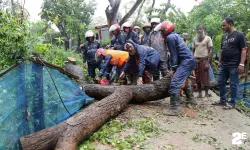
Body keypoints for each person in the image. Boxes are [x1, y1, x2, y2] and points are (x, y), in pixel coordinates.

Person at [154, 20, 196, 116]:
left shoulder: (170, 37)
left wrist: (173, 69)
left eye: (162, 31)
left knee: (175, 82)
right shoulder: (175, 36)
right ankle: (191, 99)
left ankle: (174, 108)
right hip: (188, 61)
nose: (161, 33)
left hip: (186, 61)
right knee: (184, 80)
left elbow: (174, 55)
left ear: (166, 30)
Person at [213, 17, 247, 109]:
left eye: (224, 25)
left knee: (233, 84)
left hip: (234, 64)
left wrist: (241, 64)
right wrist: (219, 61)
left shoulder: (239, 35)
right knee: (220, 82)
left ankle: (232, 103)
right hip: (224, 64)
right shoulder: (224, 36)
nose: (222, 27)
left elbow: (244, 50)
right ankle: (222, 100)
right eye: (222, 26)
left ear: (230, 25)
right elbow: (221, 50)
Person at [192, 24, 213, 98]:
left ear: (203, 29)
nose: (199, 30)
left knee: (206, 77)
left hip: (204, 59)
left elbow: (210, 50)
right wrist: (192, 60)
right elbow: (193, 50)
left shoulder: (208, 38)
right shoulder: (194, 39)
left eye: (200, 29)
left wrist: (208, 62)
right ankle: (200, 93)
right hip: (196, 60)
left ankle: (206, 93)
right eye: (198, 29)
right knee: (198, 78)